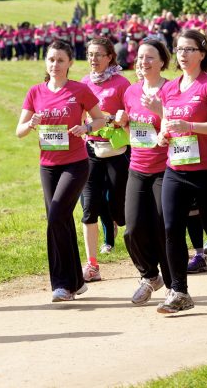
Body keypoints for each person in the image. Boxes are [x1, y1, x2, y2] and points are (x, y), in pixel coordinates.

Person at [153, 31, 207, 314]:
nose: (183, 54)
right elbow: (166, 125)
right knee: (170, 228)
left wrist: (191, 127)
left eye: (189, 49)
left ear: (202, 54)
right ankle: (179, 291)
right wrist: (164, 137)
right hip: (176, 168)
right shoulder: (169, 88)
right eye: (179, 49)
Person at [16, 40, 106, 302]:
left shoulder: (79, 90)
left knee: (56, 216)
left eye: (60, 60)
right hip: (48, 166)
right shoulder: (35, 92)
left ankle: (62, 284)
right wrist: (31, 123)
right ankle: (77, 281)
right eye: (51, 60)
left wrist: (87, 129)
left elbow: (100, 119)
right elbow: (19, 132)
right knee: (61, 220)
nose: (55, 65)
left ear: (70, 63)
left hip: (76, 164)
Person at [115, 38, 173, 305]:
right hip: (137, 167)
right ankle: (150, 276)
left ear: (162, 61)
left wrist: (159, 110)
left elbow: (177, 129)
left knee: (164, 227)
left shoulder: (171, 90)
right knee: (133, 229)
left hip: (166, 168)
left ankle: (174, 285)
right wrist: (123, 123)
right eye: (140, 57)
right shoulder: (131, 92)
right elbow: (136, 135)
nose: (144, 62)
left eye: (150, 57)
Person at [79, 37, 131, 281]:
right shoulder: (84, 83)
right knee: (89, 207)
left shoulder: (121, 83)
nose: (93, 59)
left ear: (110, 56)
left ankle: (140, 250)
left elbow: (131, 115)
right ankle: (92, 265)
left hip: (117, 152)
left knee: (118, 208)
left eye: (99, 54)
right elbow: (78, 115)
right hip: (90, 151)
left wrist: (117, 118)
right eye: (90, 54)